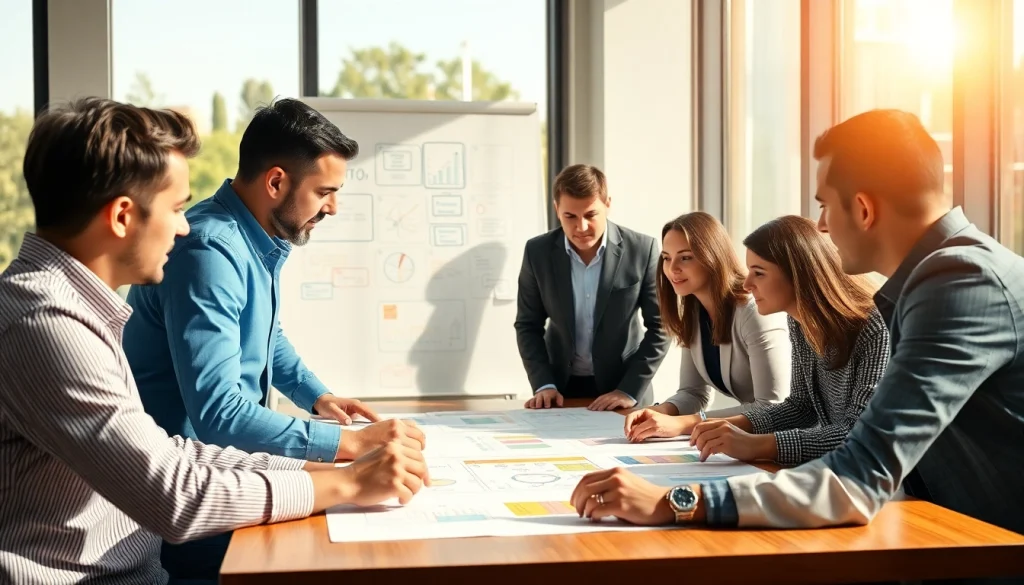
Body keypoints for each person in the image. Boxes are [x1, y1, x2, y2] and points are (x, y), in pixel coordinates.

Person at [0, 97, 428, 585]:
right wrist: (346, 475)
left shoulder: (71, 311)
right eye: (177, 207)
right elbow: (175, 494)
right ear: (122, 216)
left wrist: (326, 470)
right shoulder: (46, 325)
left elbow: (176, 453)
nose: (184, 225)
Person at [570, 110, 1024, 566]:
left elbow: (860, 473)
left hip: (988, 553)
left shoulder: (959, 282)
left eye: (824, 204)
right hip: (958, 539)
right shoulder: (943, 277)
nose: (821, 226)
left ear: (863, 209)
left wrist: (677, 501)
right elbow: (816, 418)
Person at [123, 98, 396, 466]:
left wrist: (316, 397)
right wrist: (349, 443)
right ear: (276, 182)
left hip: (220, 463)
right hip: (185, 477)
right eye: (324, 192)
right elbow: (219, 415)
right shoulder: (209, 252)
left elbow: (263, 334)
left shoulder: (249, 239)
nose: (332, 208)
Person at [676, 215, 889, 464]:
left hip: (907, 489)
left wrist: (758, 445)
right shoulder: (800, 322)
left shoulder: (875, 327)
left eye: (759, 273)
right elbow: (801, 407)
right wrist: (719, 427)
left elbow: (860, 435)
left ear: (798, 274)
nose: (747, 284)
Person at [623, 211, 791, 441]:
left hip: (792, 442)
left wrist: (684, 423)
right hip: (757, 440)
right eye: (666, 257)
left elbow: (772, 407)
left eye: (685, 257)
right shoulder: (694, 311)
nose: (672, 269)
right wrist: (660, 412)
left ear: (712, 256)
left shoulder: (754, 311)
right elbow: (693, 393)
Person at [515, 164, 669, 411]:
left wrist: (629, 389)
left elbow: (662, 326)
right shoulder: (537, 253)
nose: (581, 227)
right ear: (557, 210)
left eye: (590, 215)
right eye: (570, 217)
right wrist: (543, 384)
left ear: (607, 204)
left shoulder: (642, 249)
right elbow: (527, 325)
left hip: (624, 389)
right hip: (560, 391)